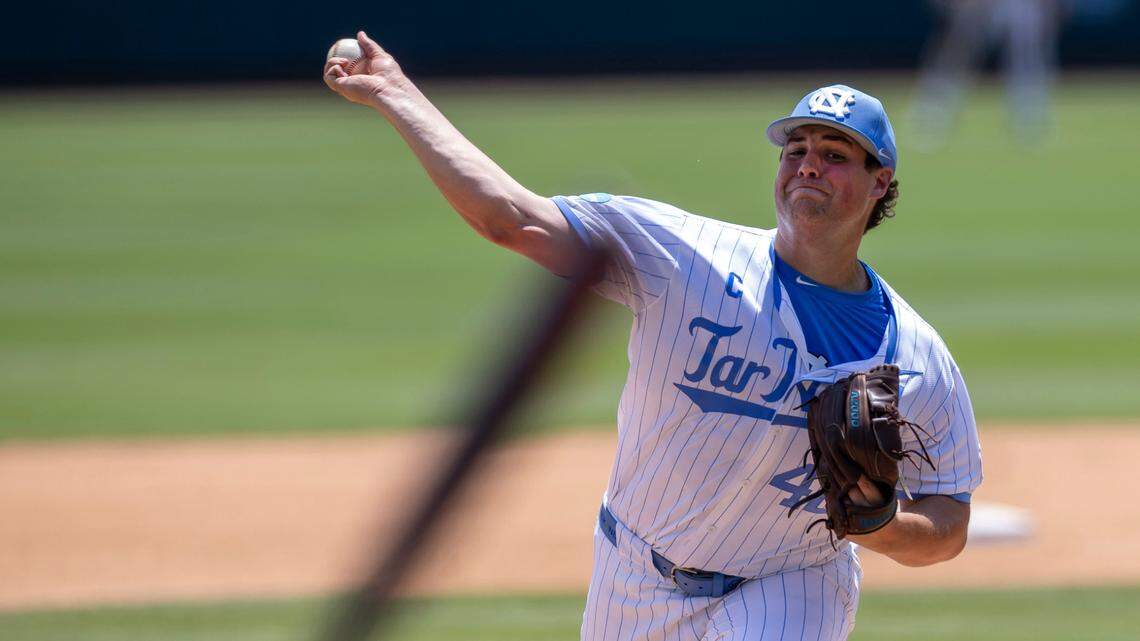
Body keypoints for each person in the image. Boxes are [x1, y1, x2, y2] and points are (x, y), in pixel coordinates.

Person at [324, 32, 982, 641]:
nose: (808, 166)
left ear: (880, 183)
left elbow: (949, 522)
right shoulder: (682, 256)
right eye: (797, 150)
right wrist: (394, 92)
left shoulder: (913, 354)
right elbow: (508, 217)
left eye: (834, 155)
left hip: (791, 585)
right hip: (632, 572)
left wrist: (886, 527)